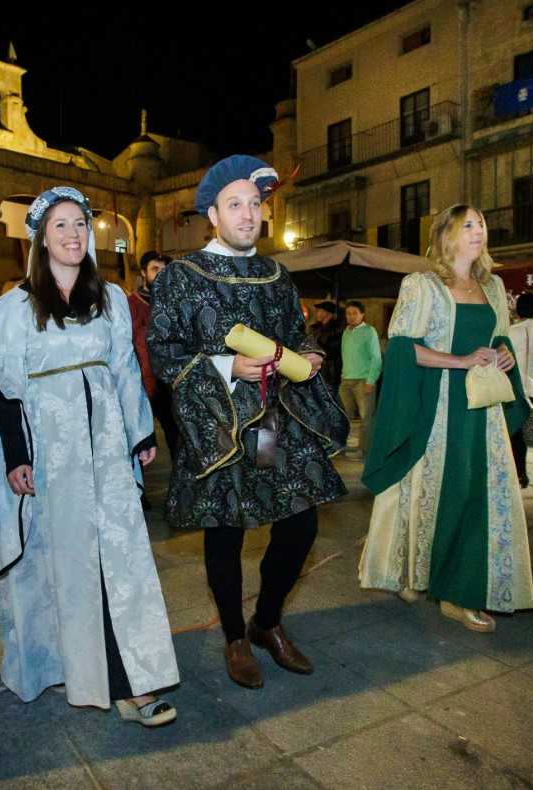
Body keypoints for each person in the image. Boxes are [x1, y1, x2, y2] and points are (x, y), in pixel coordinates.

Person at [0, 187, 178, 728]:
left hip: (106, 447)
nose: (72, 234)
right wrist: (16, 455)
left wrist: (138, 433)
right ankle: (61, 662)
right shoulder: (14, 307)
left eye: (80, 225)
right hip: (49, 452)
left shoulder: (108, 298)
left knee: (119, 558)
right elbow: (4, 389)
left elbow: (127, 368)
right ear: (41, 238)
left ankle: (132, 680)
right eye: (60, 226)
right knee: (58, 562)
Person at [147, 156, 348, 689]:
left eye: (255, 204)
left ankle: (268, 621)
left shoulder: (278, 275)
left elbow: (293, 333)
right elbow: (165, 354)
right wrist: (226, 365)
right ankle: (236, 636)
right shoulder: (181, 277)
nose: (248, 214)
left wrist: (308, 354)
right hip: (216, 423)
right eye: (235, 205)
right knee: (226, 528)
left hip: (271, 427)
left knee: (298, 519)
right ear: (212, 214)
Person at [359, 204, 532, 634]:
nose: (479, 231)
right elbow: (402, 348)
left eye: (482, 224)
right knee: (422, 493)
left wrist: (505, 353)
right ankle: (410, 571)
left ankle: (459, 590)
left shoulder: (494, 287)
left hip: (481, 411)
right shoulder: (422, 285)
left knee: (476, 497)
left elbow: (497, 339)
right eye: (468, 224)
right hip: (435, 407)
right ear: (446, 234)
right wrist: (460, 360)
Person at [127, 250, 181, 462]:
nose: (160, 274)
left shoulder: (176, 304)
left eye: (164, 270)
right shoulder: (132, 303)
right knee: (139, 441)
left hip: (170, 383)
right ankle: (137, 494)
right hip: (142, 383)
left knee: (177, 439)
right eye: (155, 269)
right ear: (143, 272)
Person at [506, 292, 533, 488]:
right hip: (532, 389)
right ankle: (520, 474)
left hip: (512, 389)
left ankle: (515, 474)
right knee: (517, 433)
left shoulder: (511, 331)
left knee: (510, 434)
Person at [338, 300, 381, 456]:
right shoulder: (346, 332)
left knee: (366, 419)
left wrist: (371, 381)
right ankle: (340, 447)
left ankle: (365, 451)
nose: (351, 316)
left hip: (363, 381)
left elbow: (376, 358)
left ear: (362, 314)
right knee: (342, 417)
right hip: (345, 381)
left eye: (354, 313)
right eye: (348, 313)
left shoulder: (370, 332)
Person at [310, 301, 344, 388]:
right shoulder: (315, 328)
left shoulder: (337, 329)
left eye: (320, 311)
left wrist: (317, 348)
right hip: (316, 368)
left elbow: (333, 350)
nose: (317, 313)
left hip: (330, 370)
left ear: (328, 314)